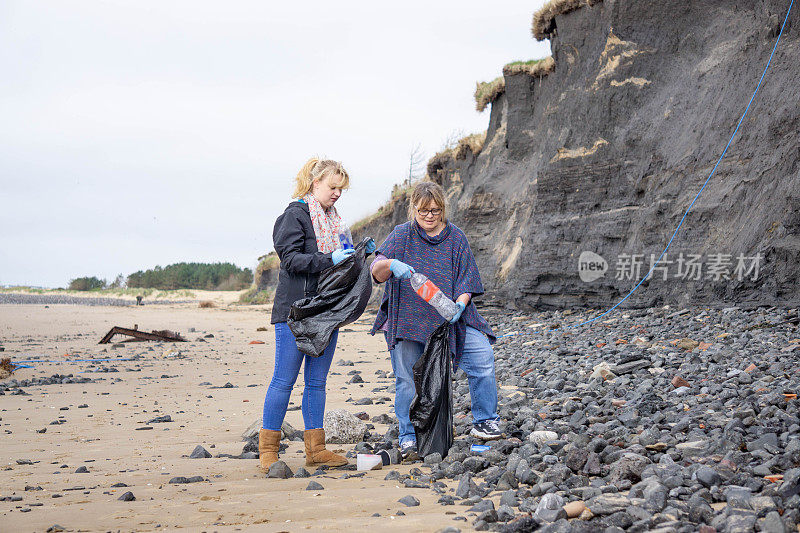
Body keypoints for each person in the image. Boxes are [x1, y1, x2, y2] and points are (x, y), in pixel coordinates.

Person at [259, 157, 375, 472]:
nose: (337, 194)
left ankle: (316, 450)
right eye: (332, 187)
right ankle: (268, 451)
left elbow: (343, 265)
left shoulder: (335, 222)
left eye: (341, 189)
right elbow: (291, 260)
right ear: (315, 182)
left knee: (317, 382)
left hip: (326, 312)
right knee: (283, 380)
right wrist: (329, 258)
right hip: (294, 311)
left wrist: (361, 255)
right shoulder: (294, 215)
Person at [370, 181, 500, 462]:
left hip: (451, 321)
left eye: (435, 210)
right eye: (423, 211)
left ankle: (485, 421)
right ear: (413, 209)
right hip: (408, 321)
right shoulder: (402, 235)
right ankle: (407, 436)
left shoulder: (456, 237)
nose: (429, 216)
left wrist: (460, 304)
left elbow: (468, 279)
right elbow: (376, 270)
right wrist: (391, 264)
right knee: (407, 380)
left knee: (482, 359)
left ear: (443, 208)